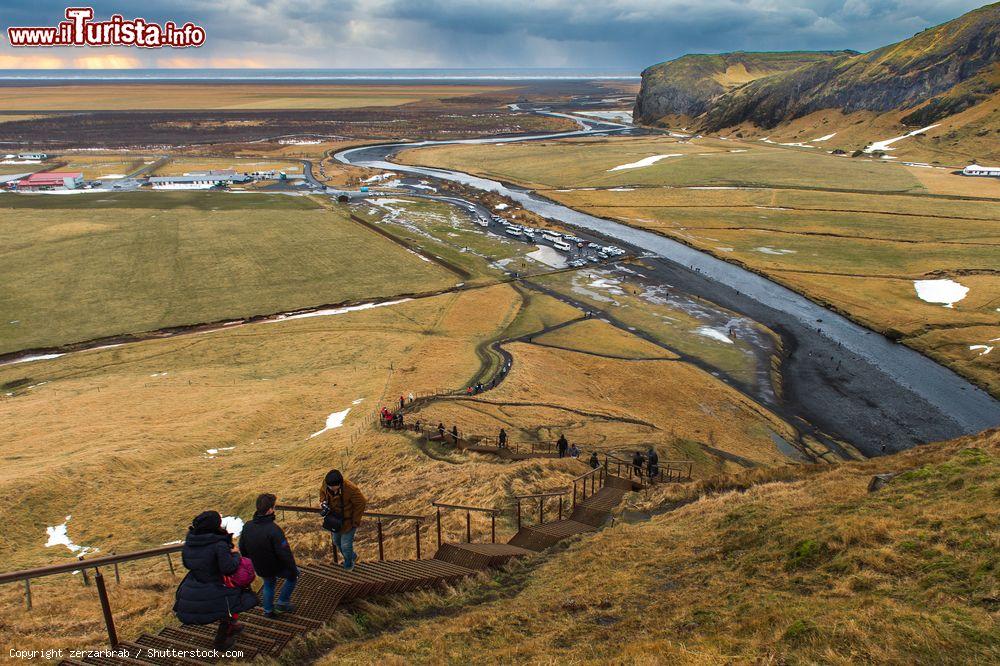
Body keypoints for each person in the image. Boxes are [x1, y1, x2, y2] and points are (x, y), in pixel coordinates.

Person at [173, 511, 257, 650]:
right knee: (230, 605)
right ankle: (221, 641)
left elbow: (187, 563)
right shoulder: (218, 544)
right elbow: (228, 568)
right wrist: (235, 555)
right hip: (217, 583)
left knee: (227, 606)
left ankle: (233, 625)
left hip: (196, 581)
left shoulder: (192, 541)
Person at [239, 494, 297, 618]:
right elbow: (284, 552)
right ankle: (282, 603)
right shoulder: (274, 530)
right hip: (276, 565)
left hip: (259, 565)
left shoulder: (248, 526)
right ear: (270, 510)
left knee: (268, 584)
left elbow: (242, 547)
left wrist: (251, 561)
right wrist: (292, 568)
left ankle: (268, 610)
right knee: (293, 577)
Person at [320, 470, 367, 571]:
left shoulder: (351, 489)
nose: (332, 489)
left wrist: (355, 521)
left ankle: (348, 565)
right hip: (334, 520)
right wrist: (323, 502)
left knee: (346, 545)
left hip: (348, 522)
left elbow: (361, 503)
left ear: (340, 484)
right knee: (336, 541)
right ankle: (352, 556)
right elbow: (322, 492)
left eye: (334, 487)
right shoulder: (326, 484)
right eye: (330, 487)